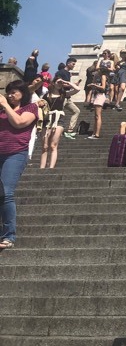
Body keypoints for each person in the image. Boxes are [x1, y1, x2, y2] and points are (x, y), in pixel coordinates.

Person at [0, 81, 38, 249]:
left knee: (6, 192)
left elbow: (19, 123)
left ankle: (9, 235)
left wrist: (4, 105)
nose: (10, 95)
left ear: (23, 93)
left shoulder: (30, 108)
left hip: (15, 154)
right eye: (8, 92)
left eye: (14, 92)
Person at [40, 76, 79, 168]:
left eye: (61, 83)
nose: (60, 84)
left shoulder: (63, 94)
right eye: (58, 82)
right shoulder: (46, 95)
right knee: (45, 146)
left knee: (53, 145)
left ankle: (51, 167)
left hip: (59, 119)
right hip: (47, 119)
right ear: (53, 83)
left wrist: (66, 82)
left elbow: (77, 89)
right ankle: (42, 167)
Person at [55, 57, 80, 139]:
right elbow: (60, 83)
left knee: (76, 111)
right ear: (68, 63)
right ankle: (56, 129)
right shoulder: (60, 72)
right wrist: (71, 85)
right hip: (61, 96)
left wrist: (73, 84)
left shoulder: (69, 74)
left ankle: (70, 130)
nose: (74, 66)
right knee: (59, 113)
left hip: (67, 96)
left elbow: (67, 85)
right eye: (73, 64)